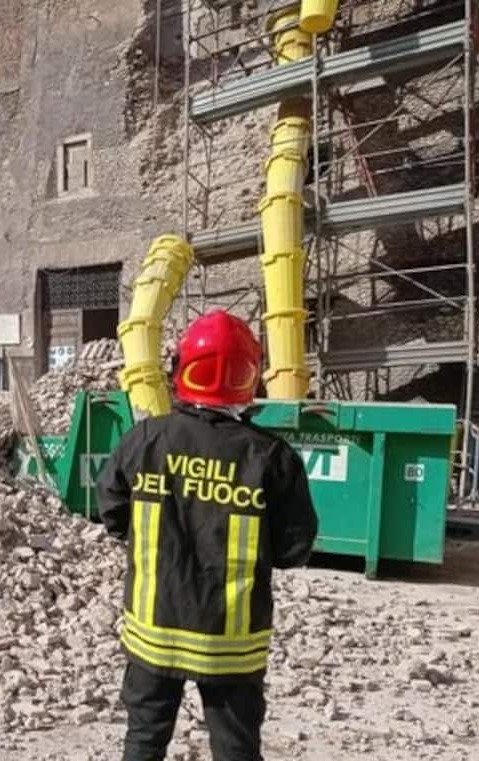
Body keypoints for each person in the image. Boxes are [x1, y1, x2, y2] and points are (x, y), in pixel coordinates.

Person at [97, 309, 318, 761]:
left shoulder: (145, 440)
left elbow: (113, 515)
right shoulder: (271, 457)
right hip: (231, 642)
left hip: (153, 629)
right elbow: (294, 548)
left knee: (144, 740)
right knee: (236, 747)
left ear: (181, 369)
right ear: (250, 376)